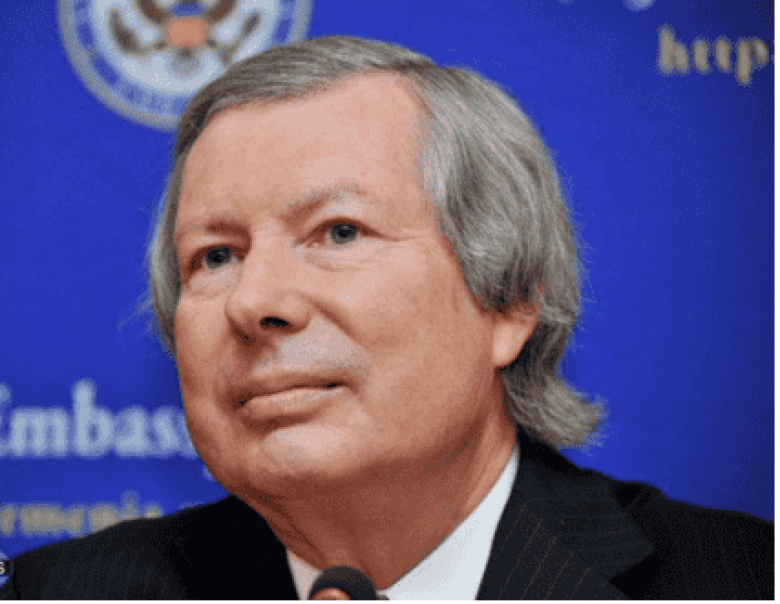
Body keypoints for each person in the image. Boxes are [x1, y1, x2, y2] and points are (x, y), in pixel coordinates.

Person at [0, 35, 772, 600]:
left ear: (508, 301)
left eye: (339, 233)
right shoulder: (57, 593)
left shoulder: (735, 579)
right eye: (217, 255)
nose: (255, 301)